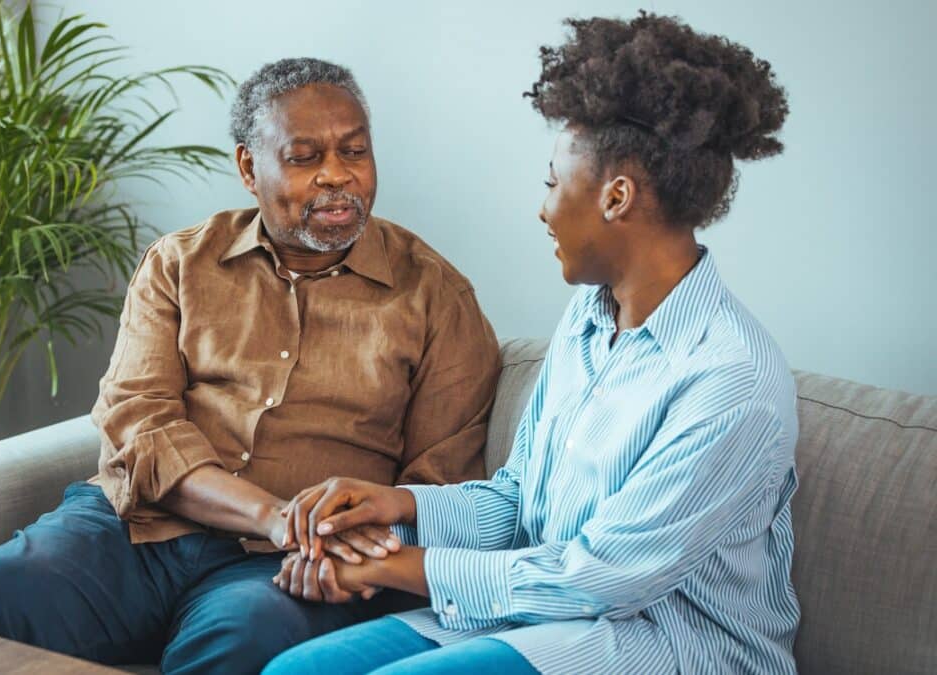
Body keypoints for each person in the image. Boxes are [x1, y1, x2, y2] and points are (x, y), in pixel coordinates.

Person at [265, 13, 799, 675]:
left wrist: (392, 565)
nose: (543, 207)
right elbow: (521, 499)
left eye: (553, 181)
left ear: (617, 197)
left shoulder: (733, 381)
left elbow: (600, 578)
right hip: (539, 615)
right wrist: (394, 505)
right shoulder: (586, 316)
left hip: (667, 646)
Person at [0, 57, 501, 674]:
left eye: (355, 152)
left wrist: (352, 551)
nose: (338, 176)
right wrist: (269, 513)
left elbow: (438, 489)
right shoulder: (179, 265)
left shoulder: (436, 296)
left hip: (294, 563)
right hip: (138, 530)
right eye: (305, 157)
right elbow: (140, 426)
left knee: (239, 645)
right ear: (249, 168)